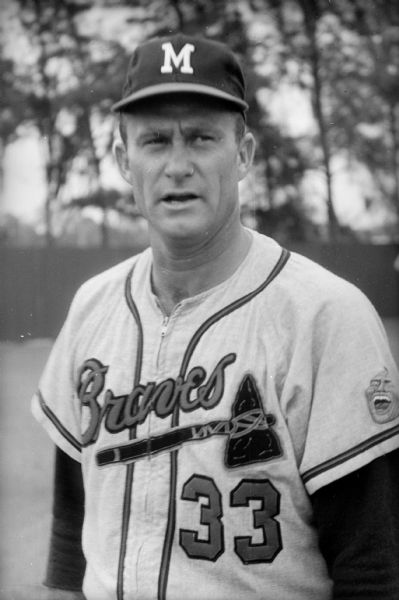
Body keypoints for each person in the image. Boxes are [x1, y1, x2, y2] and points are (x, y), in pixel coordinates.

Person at [25, 34, 399, 600]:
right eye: (155, 140)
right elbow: (68, 527)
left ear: (243, 154)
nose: (178, 165)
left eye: (201, 137)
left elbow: (372, 568)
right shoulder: (93, 306)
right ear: (126, 161)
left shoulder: (325, 315)